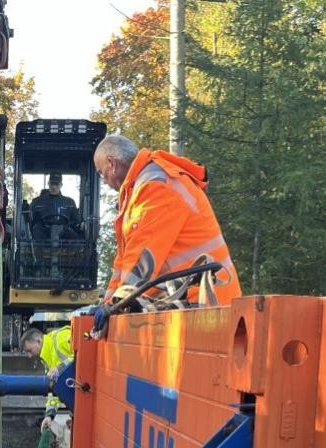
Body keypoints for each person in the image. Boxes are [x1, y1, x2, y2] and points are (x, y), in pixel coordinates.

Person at [92, 135, 242, 334]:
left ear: (112, 164)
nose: (104, 182)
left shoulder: (156, 185)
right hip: (193, 303)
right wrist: (109, 302)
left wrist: (116, 306)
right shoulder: (140, 189)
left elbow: (143, 259)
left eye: (102, 174)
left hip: (207, 304)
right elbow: (124, 262)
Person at [19, 325, 74, 431]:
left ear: (38, 341)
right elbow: (53, 389)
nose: (29, 356)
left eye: (29, 351)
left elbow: (85, 352)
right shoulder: (47, 357)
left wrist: (61, 368)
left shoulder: (61, 338)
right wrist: (49, 415)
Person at [29, 173, 81, 242]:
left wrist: (79, 223)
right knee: (36, 232)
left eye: (56, 184)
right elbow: (29, 221)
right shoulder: (37, 202)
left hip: (64, 232)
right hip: (43, 232)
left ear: (61, 185)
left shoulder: (69, 202)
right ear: (48, 183)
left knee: (76, 239)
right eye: (52, 183)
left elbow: (76, 220)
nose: (54, 186)